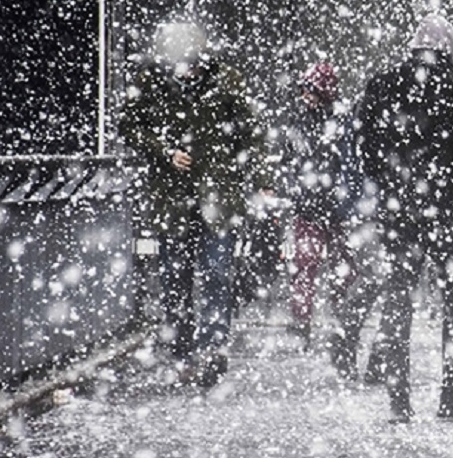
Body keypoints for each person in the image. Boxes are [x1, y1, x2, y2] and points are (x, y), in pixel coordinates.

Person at [338, 13, 453, 421]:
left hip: (399, 210)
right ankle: (451, 395)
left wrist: (388, 185)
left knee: (398, 299)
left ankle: (398, 400)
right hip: (448, 210)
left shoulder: (385, 84)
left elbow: (364, 140)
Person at [119, 20, 273, 386]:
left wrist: (262, 179)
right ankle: (183, 351)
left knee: (217, 274)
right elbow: (128, 126)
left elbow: (251, 133)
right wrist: (164, 150)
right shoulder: (150, 83)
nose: (190, 68)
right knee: (176, 278)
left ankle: (212, 348)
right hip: (173, 199)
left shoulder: (227, 81)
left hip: (216, 195)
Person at [282, 61, 358, 346]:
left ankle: (330, 316)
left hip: (328, 204)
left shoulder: (337, 119)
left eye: (311, 91)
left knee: (328, 266)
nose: (306, 96)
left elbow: (349, 161)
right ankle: (308, 321)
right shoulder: (318, 118)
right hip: (316, 204)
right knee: (308, 265)